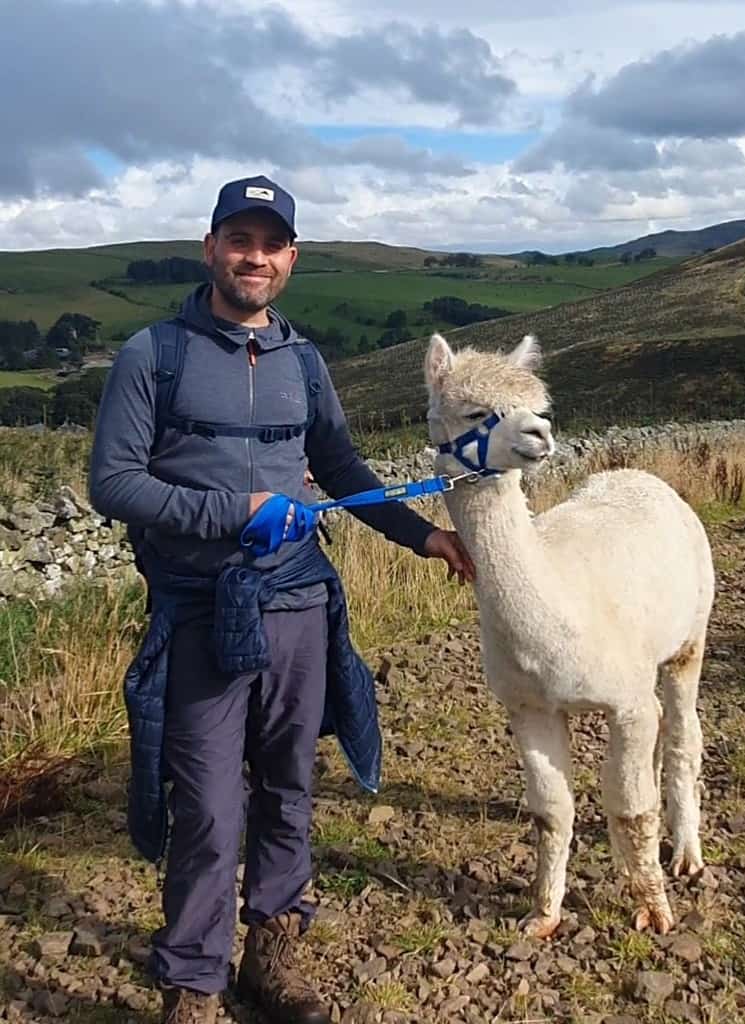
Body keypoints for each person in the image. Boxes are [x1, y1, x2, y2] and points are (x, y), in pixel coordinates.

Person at [90, 175, 474, 1024]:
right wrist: (236, 512)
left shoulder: (304, 362)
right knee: (209, 805)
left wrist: (428, 538)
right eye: (239, 239)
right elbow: (112, 484)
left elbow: (340, 470)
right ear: (211, 248)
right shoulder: (152, 356)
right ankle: (192, 984)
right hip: (200, 609)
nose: (253, 257)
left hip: (300, 602)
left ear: (291, 258)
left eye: (271, 244)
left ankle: (275, 950)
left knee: (290, 786)